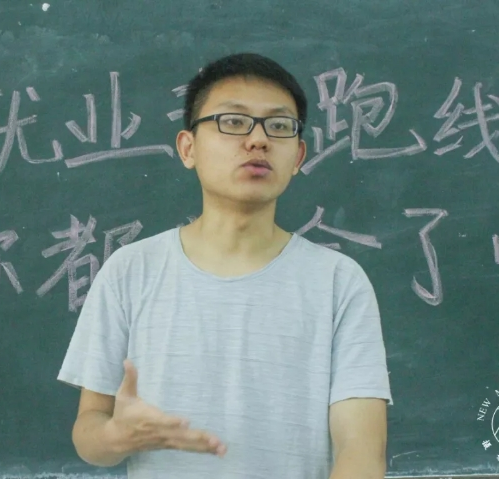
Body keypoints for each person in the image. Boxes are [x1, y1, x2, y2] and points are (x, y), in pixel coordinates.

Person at [57, 52, 392, 479]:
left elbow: (361, 449)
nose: (258, 140)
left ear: (298, 156)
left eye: (279, 126)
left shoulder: (338, 282)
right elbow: (89, 434)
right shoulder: (130, 271)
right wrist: (116, 436)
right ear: (188, 148)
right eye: (233, 122)